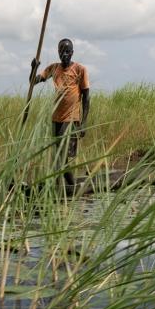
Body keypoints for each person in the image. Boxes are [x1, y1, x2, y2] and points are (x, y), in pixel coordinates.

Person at [30, 38, 91, 195]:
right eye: (61, 51)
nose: (64, 54)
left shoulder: (80, 69)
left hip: (71, 119)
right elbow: (33, 81)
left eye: (67, 51)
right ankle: (67, 186)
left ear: (72, 53)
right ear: (58, 53)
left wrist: (83, 122)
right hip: (56, 119)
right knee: (58, 158)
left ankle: (67, 187)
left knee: (61, 158)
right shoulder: (54, 68)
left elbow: (86, 98)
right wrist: (33, 68)